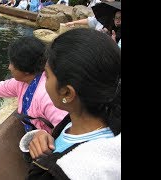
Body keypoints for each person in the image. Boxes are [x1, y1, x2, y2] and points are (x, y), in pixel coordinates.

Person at [20, 28, 121, 179]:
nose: (43, 79)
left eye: (46, 75)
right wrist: (46, 136)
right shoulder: (101, 122)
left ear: (67, 93)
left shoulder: (65, 173)